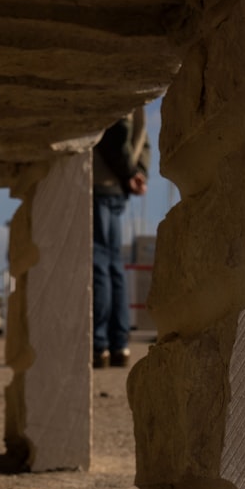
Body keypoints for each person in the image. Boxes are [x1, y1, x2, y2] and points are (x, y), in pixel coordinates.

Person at [92, 107, 149, 368]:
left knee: (101, 265)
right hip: (118, 186)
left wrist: (129, 174)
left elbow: (112, 132)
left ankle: (99, 343)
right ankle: (119, 345)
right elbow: (144, 140)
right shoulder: (143, 98)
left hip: (102, 180)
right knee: (114, 265)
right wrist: (139, 173)